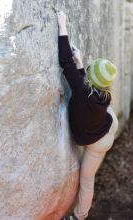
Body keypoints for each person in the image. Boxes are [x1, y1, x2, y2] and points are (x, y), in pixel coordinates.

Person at [57, 11, 119, 220]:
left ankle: (79, 216)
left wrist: (62, 25)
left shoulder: (82, 91)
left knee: (87, 180)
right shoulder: (105, 94)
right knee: (88, 178)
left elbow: (65, 61)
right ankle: (79, 217)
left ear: (90, 80)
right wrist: (81, 63)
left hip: (97, 142)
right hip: (108, 126)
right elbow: (86, 87)